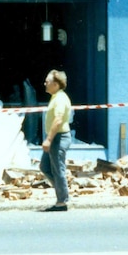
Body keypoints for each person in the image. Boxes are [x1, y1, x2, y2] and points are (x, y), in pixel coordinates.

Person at [39, 69, 72, 212]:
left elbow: (58, 120)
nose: (45, 83)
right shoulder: (55, 97)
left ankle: (62, 201)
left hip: (58, 138)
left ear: (56, 84)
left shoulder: (59, 98)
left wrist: (48, 139)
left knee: (58, 170)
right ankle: (61, 193)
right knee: (45, 167)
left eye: (48, 81)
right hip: (55, 138)